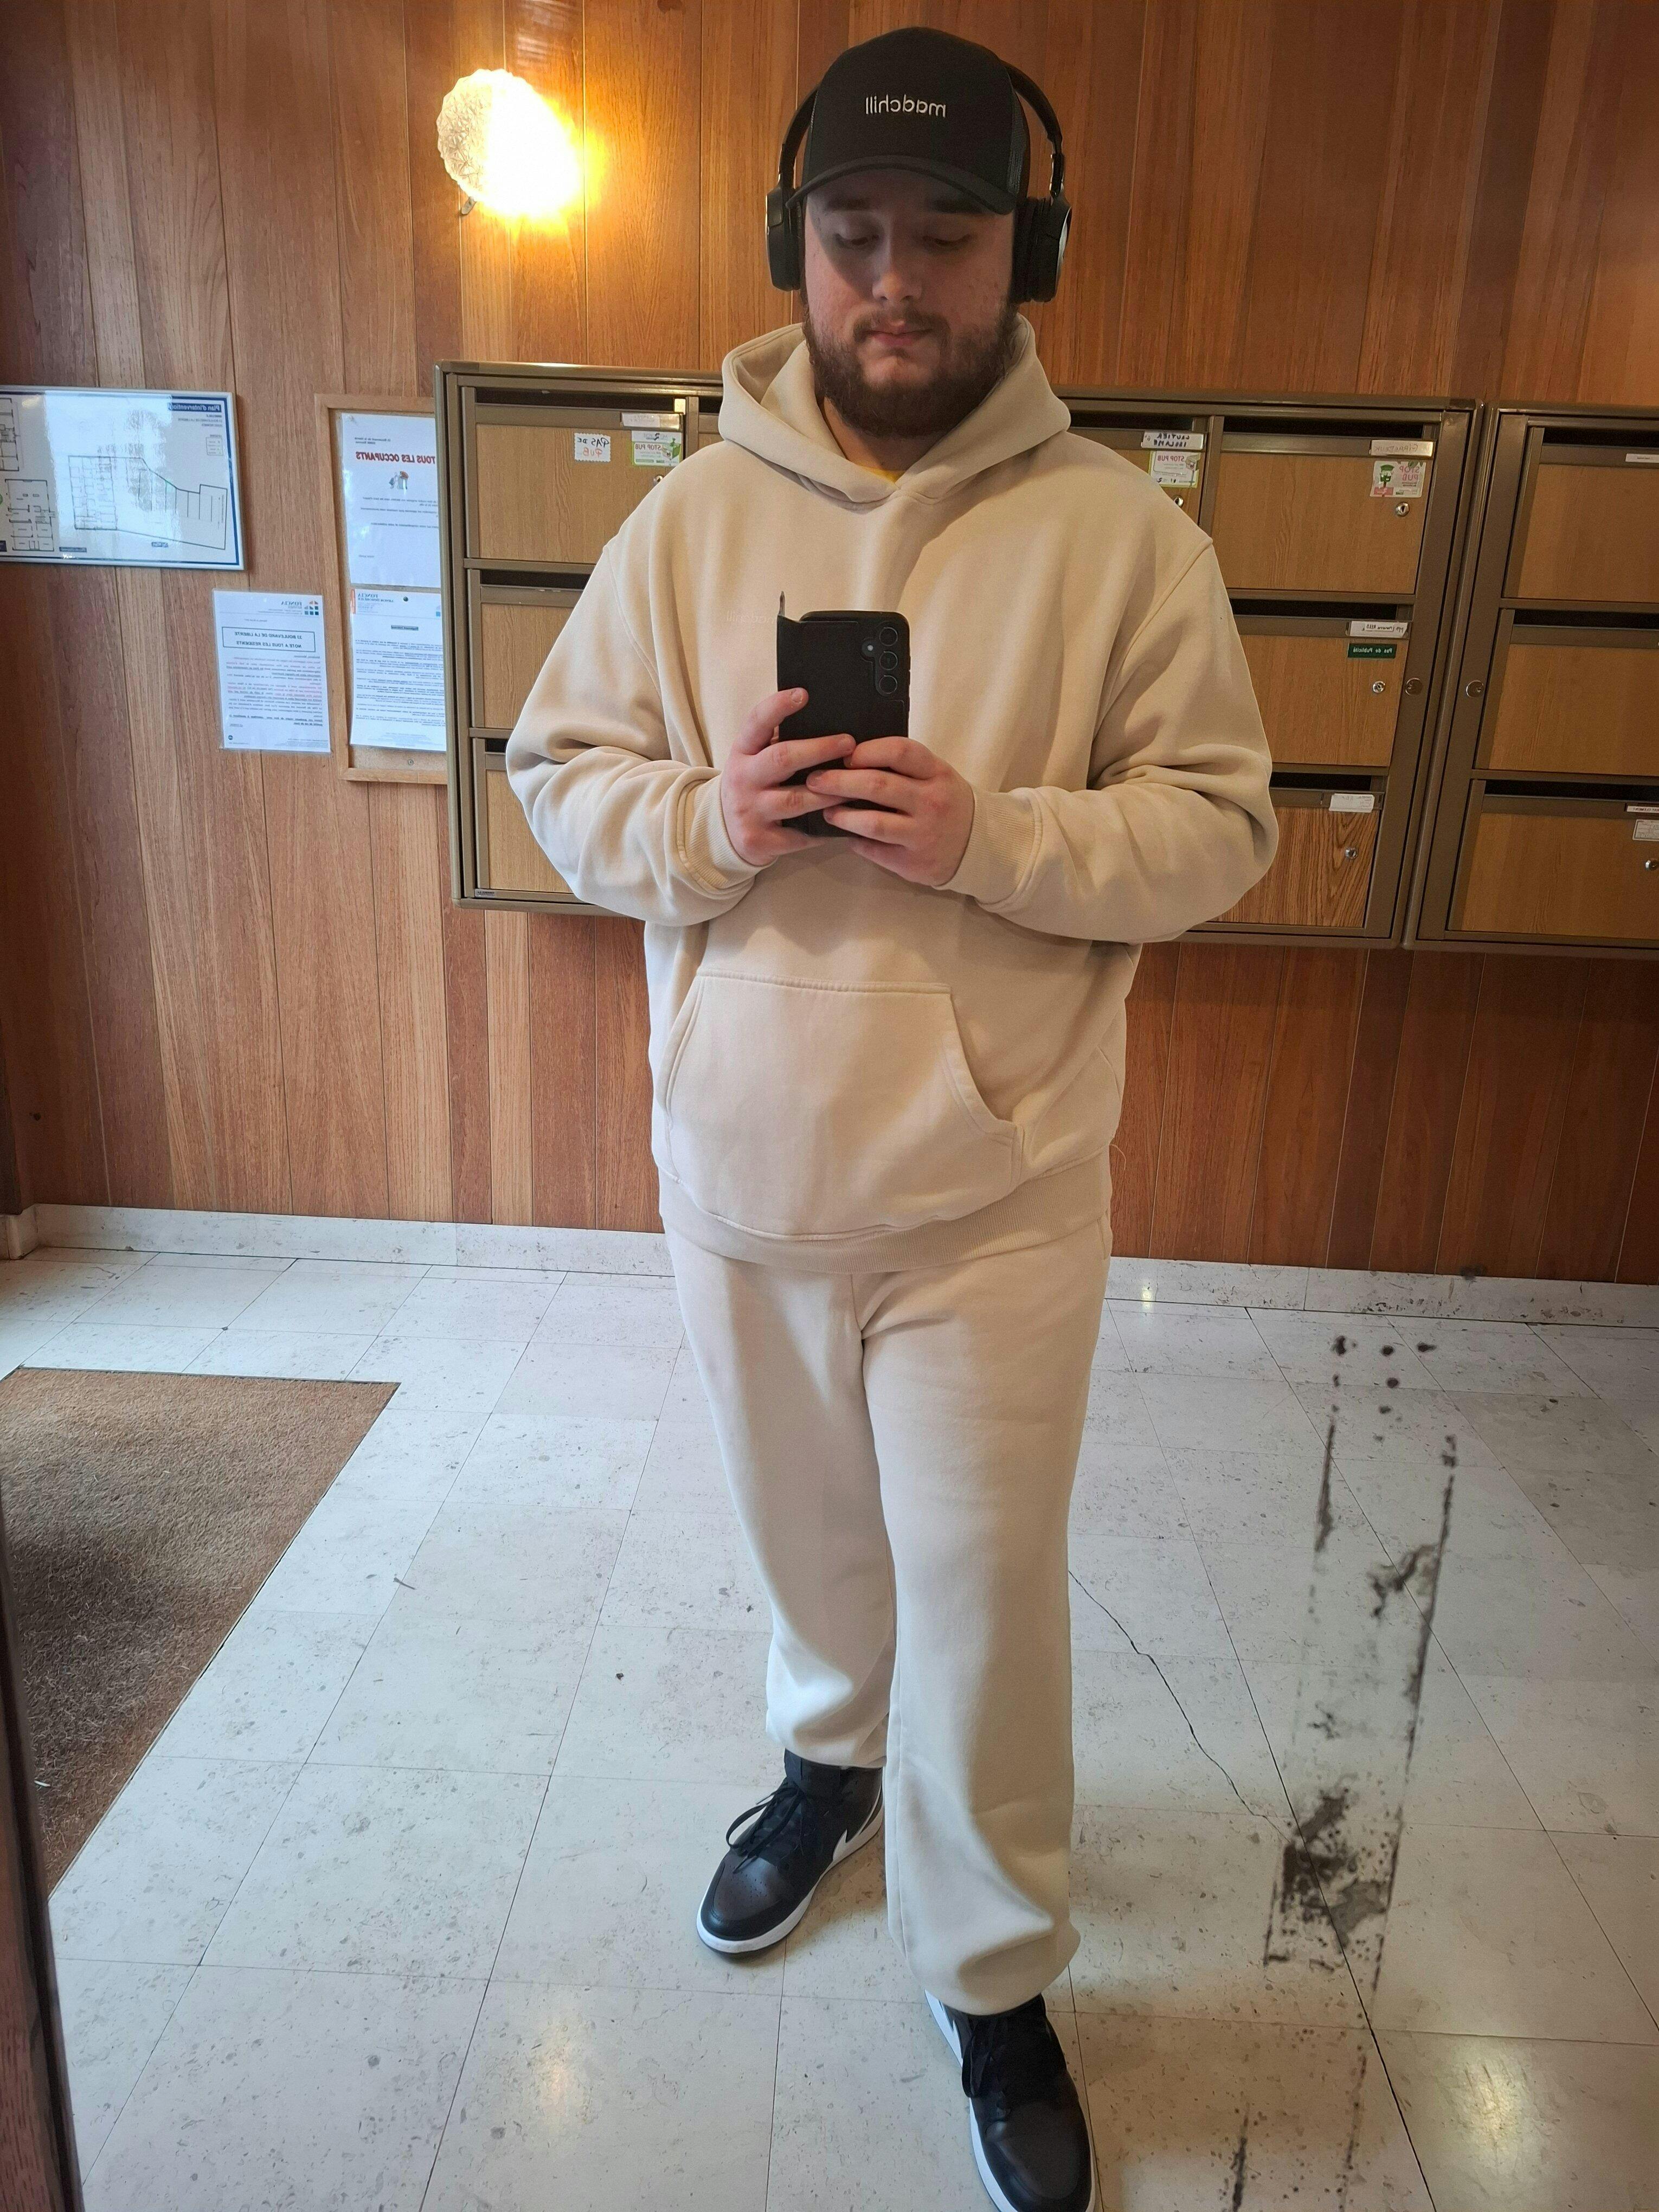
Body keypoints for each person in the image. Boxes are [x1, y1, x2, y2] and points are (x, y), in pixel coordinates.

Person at [506, 25, 1275, 2212]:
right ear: (796, 245)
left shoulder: (1124, 540)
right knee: (810, 1550)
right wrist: (715, 819)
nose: (897, 281)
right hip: (741, 1171)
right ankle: (825, 1768)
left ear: (1029, 252)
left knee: (984, 1589)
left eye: (947, 236)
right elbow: (558, 781)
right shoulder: (686, 519)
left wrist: (992, 837)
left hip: (994, 1196)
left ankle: (992, 1973)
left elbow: (1220, 827)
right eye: (854, 235)